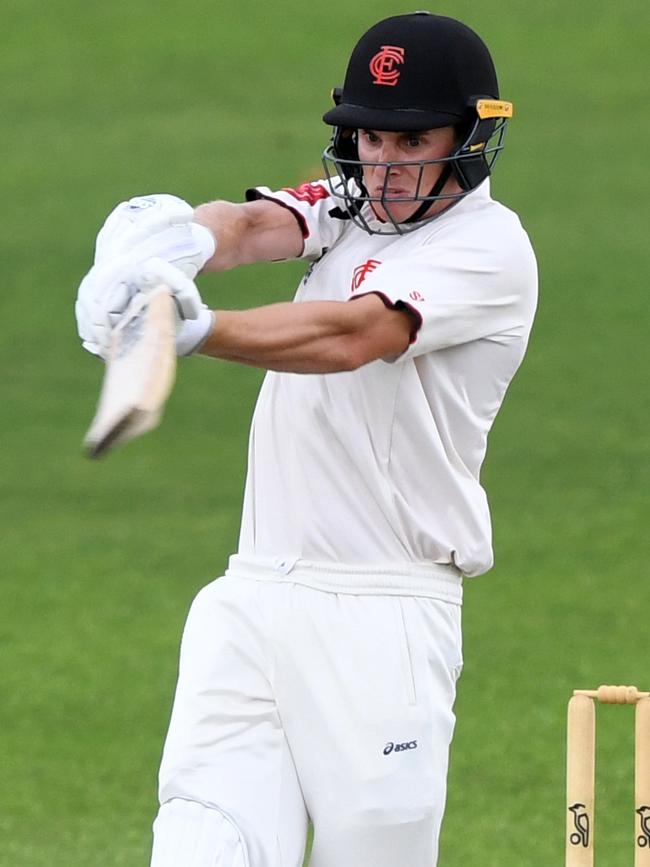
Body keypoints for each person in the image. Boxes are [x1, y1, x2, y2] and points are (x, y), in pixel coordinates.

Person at [76, 11, 537, 867]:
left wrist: (193, 328)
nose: (383, 163)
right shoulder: (358, 203)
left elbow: (350, 337)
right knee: (204, 841)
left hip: (383, 613)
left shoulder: (490, 248)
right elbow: (251, 227)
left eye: (411, 141)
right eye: (367, 137)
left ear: (472, 138)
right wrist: (165, 239)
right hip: (253, 592)